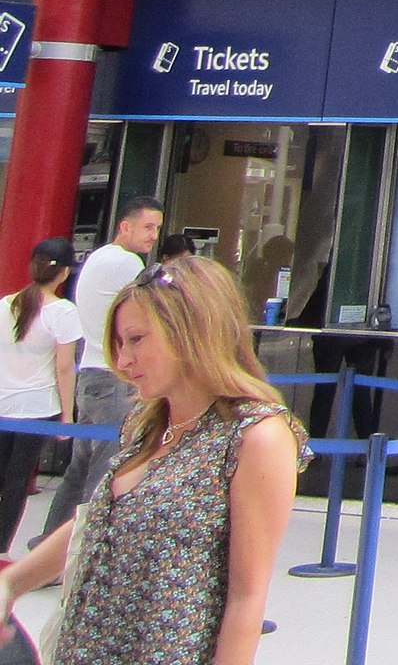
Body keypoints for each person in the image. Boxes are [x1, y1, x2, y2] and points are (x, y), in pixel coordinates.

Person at [0, 255, 306, 665]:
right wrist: (11, 585)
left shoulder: (255, 435)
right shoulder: (146, 424)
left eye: (137, 340)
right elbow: (96, 521)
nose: (123, 361)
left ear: (192, 333)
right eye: (120, 344)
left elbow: (247, 596)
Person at [42, 197, 161, 538]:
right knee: (105, 471)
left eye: (157, 228)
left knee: (79, 470)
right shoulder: (126, 264)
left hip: (90, 374)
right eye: (148, 227)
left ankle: (50, 548)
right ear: (126, 226)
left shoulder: (98, 258)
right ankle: (84, 550)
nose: (153, 235)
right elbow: (156, 309)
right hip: (112, 378)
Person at [0, 240, 79, 553]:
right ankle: (2, 546)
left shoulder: (6, 304)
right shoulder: (63, 312)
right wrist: (68, 417)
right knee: (17, 481)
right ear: (64, 273)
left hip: (3, 404)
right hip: (37, 407)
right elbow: (64, 368)